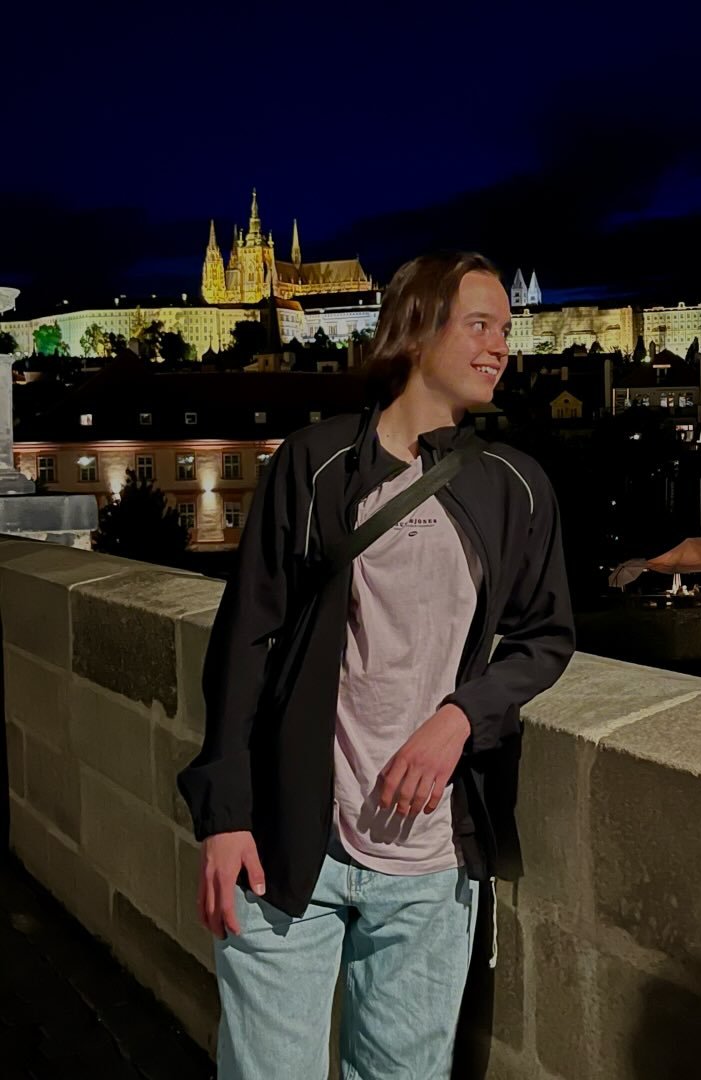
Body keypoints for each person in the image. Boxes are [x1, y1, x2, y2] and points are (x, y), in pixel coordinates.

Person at [177, 252, 575, 1080]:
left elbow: (545, 636)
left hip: (430, 864)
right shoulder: (315, 463)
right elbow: (245, 643)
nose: (502, 346)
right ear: (418, 329)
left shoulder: (515, 484)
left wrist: (460, 717)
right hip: (289, 843)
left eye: (506, 329)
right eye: (480, 325)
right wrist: (223, 815)